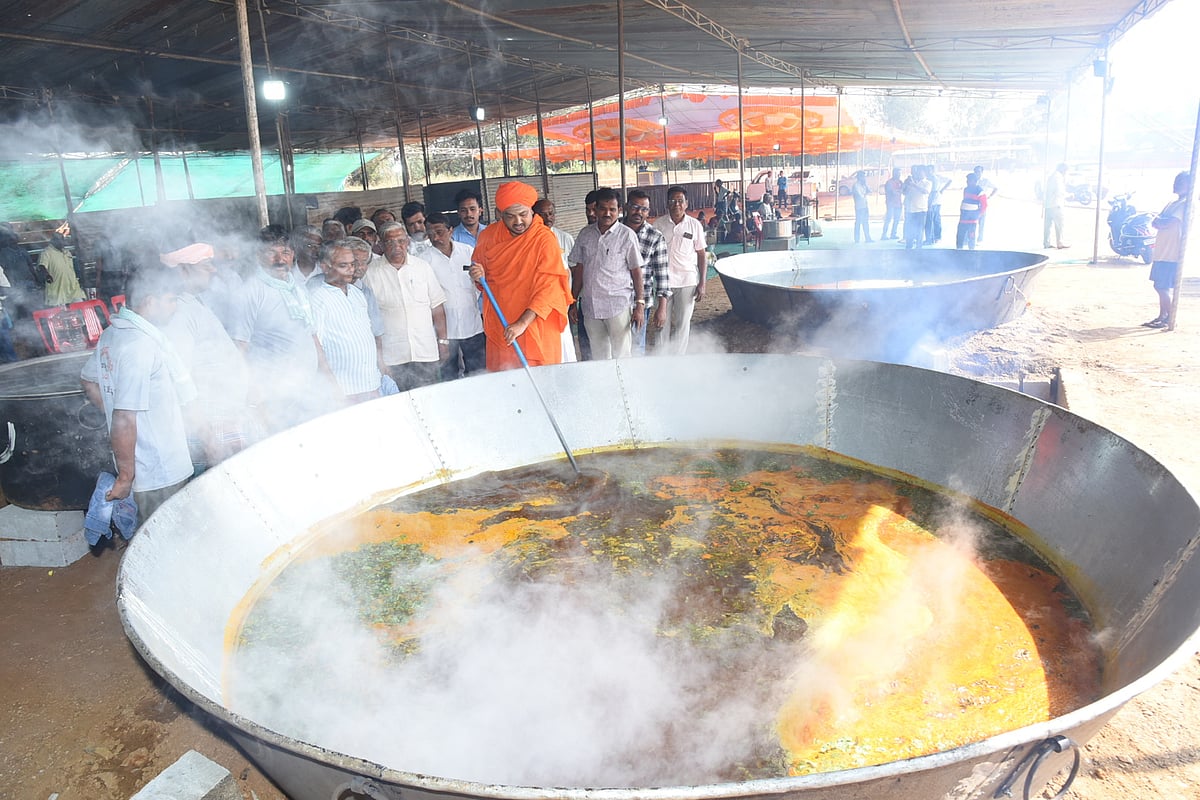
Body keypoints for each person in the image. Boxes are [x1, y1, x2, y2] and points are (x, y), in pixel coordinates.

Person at [80, 266, 194, 520]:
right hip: (158, 469)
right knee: (167, 540)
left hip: (151, 463)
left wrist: (112, 411)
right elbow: (123, 416)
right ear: (150, 301)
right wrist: (125, 476)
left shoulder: (112, 335)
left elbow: (89, 382)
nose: (175, 306)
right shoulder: (139, 346)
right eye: (171, 299)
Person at [229, 226, 333, 433]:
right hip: (274, 394)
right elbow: (239, 350)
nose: (280, 259)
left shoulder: (297, 288)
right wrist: (255, 397)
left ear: (293, 255)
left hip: (308, 388)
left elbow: (311, 335)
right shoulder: (250, 292)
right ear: (259, 255)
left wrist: (328, 377)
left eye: (285, 252)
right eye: (271, 252)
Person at [159, 243, 252, 470]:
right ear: (183, 271)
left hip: (225, 417)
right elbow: (181, 377)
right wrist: (206, 436)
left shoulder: (196, 303)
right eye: (206, 265)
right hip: (210, 422)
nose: (213, 270)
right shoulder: (180, 313)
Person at [468, 182, 572, 371]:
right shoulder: (488, 237)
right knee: (507, 381)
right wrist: (478, 275)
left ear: (532, 211)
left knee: (541, 378)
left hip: (537, 320)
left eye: (523, 214)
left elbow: (548, 287)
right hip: (503, 323)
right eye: (510, 216)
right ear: (500, 214)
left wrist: (522, 323)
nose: (518, 222)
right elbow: (481, 276)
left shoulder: (544, 239)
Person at [361, 221, 448, 390]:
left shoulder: (422, 267)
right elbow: (367, 321)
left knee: (428, 400)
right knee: (398, 405)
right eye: (390, 242)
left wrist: (443, 341)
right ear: (381, 244)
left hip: (425, 351)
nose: (396, 246)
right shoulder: (370, 273)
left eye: (400, 241)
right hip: (392, 357)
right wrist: (379, 358)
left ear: (407, 241)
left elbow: (437, 308)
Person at [568, 187, 644, 359]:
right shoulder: (585, 234)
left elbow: (637, 272)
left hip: (617, 306)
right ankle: (606, 385)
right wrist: (573, 301)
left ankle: (624, 386)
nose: (607, 213)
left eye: (612, 209)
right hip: (591, 307)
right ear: (595, 209)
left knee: (622, 355)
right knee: (599, 355)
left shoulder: (627, 235)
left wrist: (639, 304)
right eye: (603, 208)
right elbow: (579, 270)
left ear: (619, 211)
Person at [309, 240, 385, 402]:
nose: (352, 269)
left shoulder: (357, 293)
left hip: (370, 383)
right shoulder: (318, 298)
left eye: (352, 264)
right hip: (343, 389)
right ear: (325, 267)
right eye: (344, 265)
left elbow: (368, 336)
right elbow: (316, 347)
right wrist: (332, 385)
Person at [425, 211, 486, 378]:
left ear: (451, 230)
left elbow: (480, 283)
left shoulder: (468, 252)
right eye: (430, 234)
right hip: (445, 331)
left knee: (479, 372)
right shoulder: (424, 260)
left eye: (440, 232)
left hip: (472, 324)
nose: (436, 238)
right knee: (448, 376)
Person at [652, 185, 707, 355]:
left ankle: (678, 360)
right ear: (667, 204)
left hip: (687, 282)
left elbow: (702, 255)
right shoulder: (658, 225)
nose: (676, 204)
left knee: (683, 324)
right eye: (673, 201)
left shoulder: (694, 225)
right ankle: (661, 359)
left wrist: (702, 283)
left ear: (686, 204)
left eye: (680, 201)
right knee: (661, 323)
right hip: (663, 283)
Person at [531, 197, 579, 363]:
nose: (547, 218)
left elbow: (572, 270)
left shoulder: (564, 238)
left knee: (565, 348)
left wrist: (572, 302)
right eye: (542, 214)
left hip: (562, 304)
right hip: (542, 308)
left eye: (551, 213)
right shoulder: (530, 241)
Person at [623, 189, 669, 355]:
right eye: (635, 207)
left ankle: (636, 379)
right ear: (626, 207)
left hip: (641, 303)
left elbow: (662, 275)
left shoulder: (655, 236)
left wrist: (662, 308)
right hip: (614, 301)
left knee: (636, 345)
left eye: (644, 209)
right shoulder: (614, 231)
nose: (639, 212)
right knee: (616, 345)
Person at [1144, 171, 1191, 329]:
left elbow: (1164, 223)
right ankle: (1163, 316)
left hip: (1172, 253)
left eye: (1181, 182)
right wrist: (1159, 221)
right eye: (1176, 181)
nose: (1176, 184)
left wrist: (1160, 222)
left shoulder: (1187, 204)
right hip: (1162, 251)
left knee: (1162, 286)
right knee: (1159, 285)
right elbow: (1157, 221)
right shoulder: (1172, 203)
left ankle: (1170, 318)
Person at [38, 229, 85, 307]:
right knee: (62, 314)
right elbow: (41, 266)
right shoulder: (46, 253)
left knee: (80, 307)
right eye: (59, 240)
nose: (62, 242)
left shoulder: (67, 252)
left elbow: (73, 268)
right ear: (53, 241)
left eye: (62, 240)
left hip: (73, 288)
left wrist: (80, 278)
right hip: (58, 290)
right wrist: (47, 275)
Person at [901, 165, 931, 250]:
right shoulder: (910, 182)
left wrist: (914, 185)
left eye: (920, 171)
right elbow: (904, 192)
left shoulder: (927, 183)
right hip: (910, 210)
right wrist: (906, 185)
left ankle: (918, 248)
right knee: (909, 230)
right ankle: (909, 247)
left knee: (919, 230)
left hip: (920, 210)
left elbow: (925, 191)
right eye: (917, 171)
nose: (918, 173)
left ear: (925, 173)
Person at [956, 173, 988, 251]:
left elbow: (984, 205)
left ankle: (971, 250)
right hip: (963, 217)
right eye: (967, 180)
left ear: (975, 181)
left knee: (971, 235)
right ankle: (959, 250)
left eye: (969, 180)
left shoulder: (980, 191)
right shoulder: (966, 189)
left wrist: (978, 214)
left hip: (972, 218)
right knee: (960, 234)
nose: (967, 182)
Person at [1043, 163, 1069, 250]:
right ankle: (1060, 243)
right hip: (1056, 205)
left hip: (1048, 205)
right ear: (1063, 170)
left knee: (1047, 226)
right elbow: (1059, 191)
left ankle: (1046, 243)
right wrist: (1068, 195)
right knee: (1059, 225)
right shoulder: (1058, 177)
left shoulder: (1051, 176)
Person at [924, 165, 951, 245]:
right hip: (936, 202)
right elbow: (950, 180)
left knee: (931, 220)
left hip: (933, 202)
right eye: (926, 170)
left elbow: (933, 192)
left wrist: (930, 204)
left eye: (929, 170)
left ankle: (931, 239)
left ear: (932, 170)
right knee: (935, 220)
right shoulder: (935, 177)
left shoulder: (934, 178)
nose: (928, 172)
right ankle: (937, 237)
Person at [972, 166, 998, 243]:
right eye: (976, 171)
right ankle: (971, 238)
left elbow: (996, 188)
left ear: (982, 172)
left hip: (982, 204)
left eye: (979, 171)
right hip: (973, 204)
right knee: (972, 222)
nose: (977, 173)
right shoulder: (972, 181)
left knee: (981, 223)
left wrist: (989, 197)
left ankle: (980, 239)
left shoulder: (986, 181)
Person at [851, 171, 873, 244]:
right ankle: (857, 239)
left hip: (865, 205)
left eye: (864, 177)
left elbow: (870, 191)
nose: (864, 178)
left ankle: (868, 238)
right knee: (858, 223)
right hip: (859, 207)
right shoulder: (856, 185)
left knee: (865, 222)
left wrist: (866, 186)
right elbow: (860, 195)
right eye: (863, 176)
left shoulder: (864, 185)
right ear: (859, 177)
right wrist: (866, 192)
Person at [882, 168, 903, 240]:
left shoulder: (900, 182)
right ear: (894, 173)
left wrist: (899, 190)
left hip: (898, 203)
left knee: (896, 220)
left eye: (900, 173)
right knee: (888, 219)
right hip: (890, 204)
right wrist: (899, 190)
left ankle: (893, 234)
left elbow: (903, 191)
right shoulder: (889, 182)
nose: (899, 175)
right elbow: (892, 192)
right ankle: (884, 235)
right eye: (898, 173)